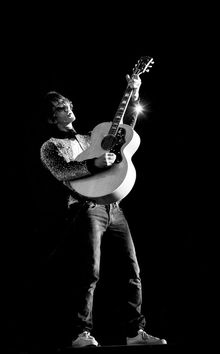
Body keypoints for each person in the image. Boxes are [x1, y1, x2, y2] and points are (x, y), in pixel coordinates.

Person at [40, 73, 167, 348]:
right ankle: (82, 334)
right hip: (85, 209)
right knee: (90, 272)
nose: (69, 108)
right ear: (52, 117)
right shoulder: (51, 146)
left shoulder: (90, 137)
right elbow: (63, 171)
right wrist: (95, 163)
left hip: (114, 206)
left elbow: (124, 131)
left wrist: (134, 94)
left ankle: (135, 333)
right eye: (62, 107)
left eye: (69, 104)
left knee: (132, 269)